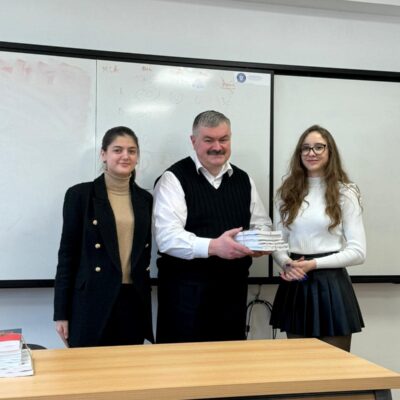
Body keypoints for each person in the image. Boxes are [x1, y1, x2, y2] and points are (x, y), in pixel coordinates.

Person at [153, 110, 272, 343]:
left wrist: (258, 242)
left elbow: (261, 224)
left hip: (233, 294)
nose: (217, 147)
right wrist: (215, 247)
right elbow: (167, 238)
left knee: (229, 362)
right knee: (182, 362)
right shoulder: (173, 178)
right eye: (209, 140)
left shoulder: (244, 179)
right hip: (184, 297)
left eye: (223, 139)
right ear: (193, 141)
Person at [54, 126, 153, 347]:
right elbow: (67, 256)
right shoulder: (80, 195)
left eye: (132, 151)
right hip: (90, 301)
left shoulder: (145, 199)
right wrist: (61, 313)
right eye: (117, 150)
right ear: (103, 154)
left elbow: (143, 256)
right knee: (86, 366)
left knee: (129, 367)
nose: (125, 156)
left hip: (131, 301)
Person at [270, 124, 366, 352]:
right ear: (299, 153)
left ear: (330, 151)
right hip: (297, 284)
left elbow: (358, 252)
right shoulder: (287, 193)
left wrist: (313, 264)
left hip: (331, 287)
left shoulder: (346, 192)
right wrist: (286, 263)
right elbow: (277, 243)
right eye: (305, 148)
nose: (311, 153)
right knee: (299, 366)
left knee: (335, 367)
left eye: (318, 147)